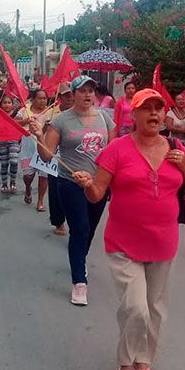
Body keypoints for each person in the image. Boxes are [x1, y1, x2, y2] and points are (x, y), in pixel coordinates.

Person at [73, 88, 185, 370]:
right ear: (135, 115)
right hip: (124, 243)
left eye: (159, 108)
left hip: (163, 243)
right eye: (148, 108)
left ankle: (144, 360)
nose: (155, 113)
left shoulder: (175, 149)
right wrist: (86, 184)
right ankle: (125, 362)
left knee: (155, 308)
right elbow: (97, 194)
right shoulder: (117, 149)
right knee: (136, 308)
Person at [31, 75, 116, 305]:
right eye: (82, 91)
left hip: (97, 183)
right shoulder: (61, 121)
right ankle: (79, 281)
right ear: (73, 94)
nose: (88, 94)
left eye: (91, 90)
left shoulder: (105, 119)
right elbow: (47, 155)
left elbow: (114, 152)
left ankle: (80, 259)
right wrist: (39, 135)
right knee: (80, 229)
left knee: (89, 230)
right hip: (70, 183)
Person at [18, 89, 50, 212]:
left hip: (44, 147)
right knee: (28, 176)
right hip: (27, 147)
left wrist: (47, 126)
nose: (42, 101)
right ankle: (27, 188)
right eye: (40, 98)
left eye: (44, 98)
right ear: (33, 99)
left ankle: (40, 201)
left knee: (44, 176)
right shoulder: (25, 110)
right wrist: (25, 121)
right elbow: (14, 122)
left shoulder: (51, 112)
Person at [49, 82, 74, 236]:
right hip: (55, 158)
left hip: (75, 160)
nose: (70, 98)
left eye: (72, 94)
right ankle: (58, 221)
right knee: (56, 191)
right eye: (66, 95)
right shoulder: (52, 113)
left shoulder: (82, 114)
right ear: (60, 98)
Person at [0, 92, 21, 193]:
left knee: (14, 162)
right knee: (4, 163)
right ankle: (4, 183)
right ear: (1, 104)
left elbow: (22, 125)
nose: (7, 104)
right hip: (2, 142)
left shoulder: (17, 115)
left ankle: (13, 182)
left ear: (12, 104)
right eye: (4, 103)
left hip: (14, 141)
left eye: (9, 102)